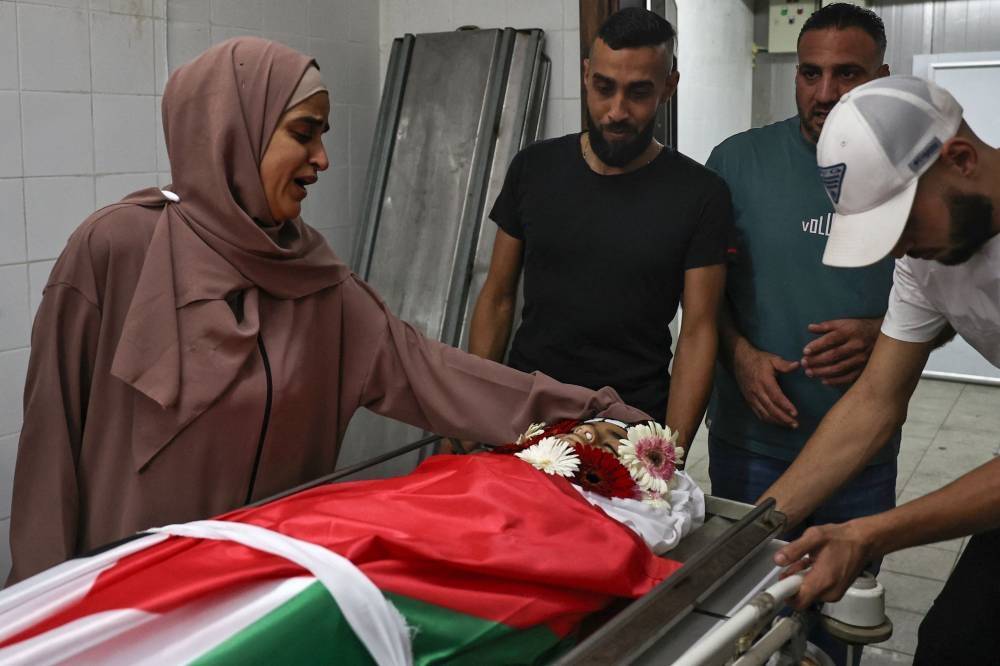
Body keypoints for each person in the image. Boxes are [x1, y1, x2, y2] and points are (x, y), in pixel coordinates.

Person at [6, 37, 649, 586]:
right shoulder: (119, 250)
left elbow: (441, 375)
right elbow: (50, 447)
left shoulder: (317, 284)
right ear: (234, 129)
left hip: (266, 592)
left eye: (323, 135)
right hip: (132, 597)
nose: (322, 159)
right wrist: (39, 606)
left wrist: (594, 415)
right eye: (303, 134)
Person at [0, 419, 702, 664]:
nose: (595, 437)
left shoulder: (611, 502)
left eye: (607, 437)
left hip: (447, 532)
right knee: (278, 560)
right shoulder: (517, 459)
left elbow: (588, 546)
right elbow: (420, 490)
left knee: (310, 595)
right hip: (339, 521)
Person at [765, 75, 1000, 665]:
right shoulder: (926, 259)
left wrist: (867, 533)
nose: (898, 251)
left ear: (962, 160)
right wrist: (759, 529)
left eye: (902, 227)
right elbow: (873, 403)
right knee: (954, 646)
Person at [468, 8, 731, 453]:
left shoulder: (700, 194)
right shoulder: (534, 168)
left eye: (639, 93)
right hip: (527, 417)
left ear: (669, 87)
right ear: (587, 75)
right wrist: (472, 409)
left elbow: (699, 331)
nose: (616, 111)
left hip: (629, 427)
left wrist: (672, 453)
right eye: (604, 87)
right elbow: (497, 296)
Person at [706, 3, 898, 538]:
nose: (826, 93)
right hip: (753, 445)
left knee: (845, 610)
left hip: (863, 447)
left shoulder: (909, 172)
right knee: (747, 608)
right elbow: (702, 298)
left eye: (848, 74)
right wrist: (740, 356)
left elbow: (948, 305)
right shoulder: (736, 163)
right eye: (811, 73)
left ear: (881, 78)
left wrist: (882, 333)